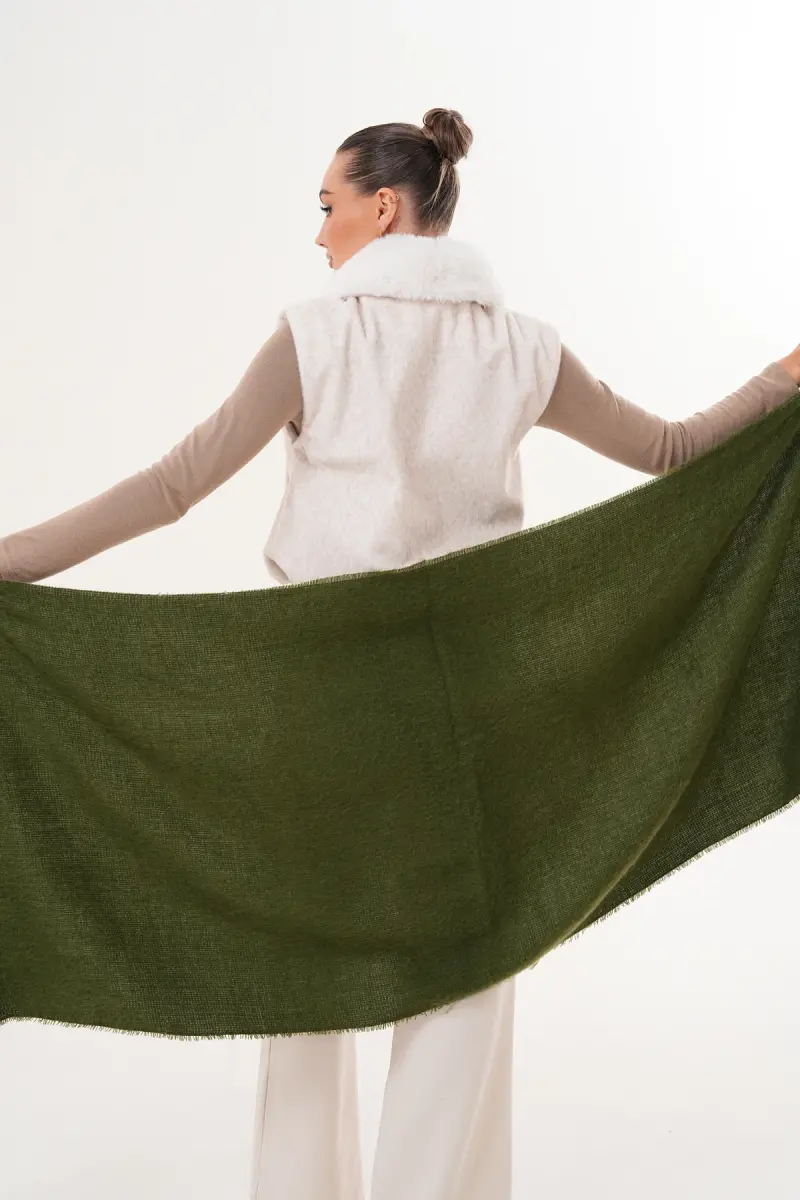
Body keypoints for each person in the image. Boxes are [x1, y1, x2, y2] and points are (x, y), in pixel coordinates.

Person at [0, 108, 798, 1199]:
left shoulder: (314, 335)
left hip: (319, 692)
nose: (318, 231)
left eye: (327, 205)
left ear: (383, 208)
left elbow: (174, 486)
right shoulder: (521, 347)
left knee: (301, 961)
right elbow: (671, 449)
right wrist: (784, 375)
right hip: (472, 703)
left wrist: (9, 561)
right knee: (468, 962)